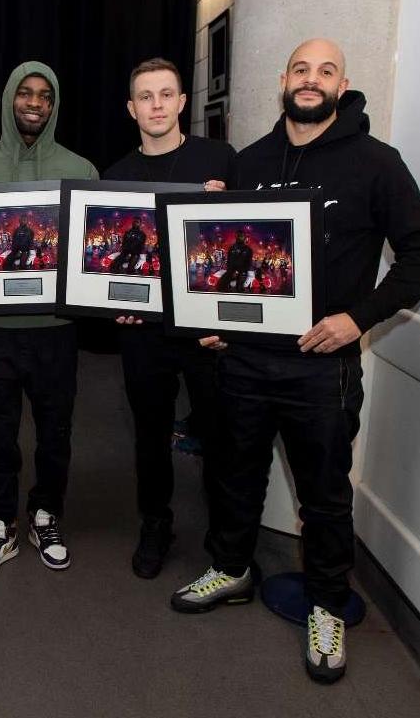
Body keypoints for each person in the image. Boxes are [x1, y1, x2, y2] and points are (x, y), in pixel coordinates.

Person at [172, 39, 420, 685]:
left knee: (323, 497)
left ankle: (326, 603)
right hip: (242, 360)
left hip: (322, 367)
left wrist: (357, 318)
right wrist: (213, 313)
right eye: (300, 69)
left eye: (325, 71)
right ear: (282, 80)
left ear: (342, 84)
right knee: (234, 474)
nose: (310, 79)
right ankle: (232, 566)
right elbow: (223, 255)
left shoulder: (377, 163)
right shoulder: (249, 161)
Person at [0, 61, 98, 580]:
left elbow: (90, 255)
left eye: (44, 96)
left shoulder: (82, 170)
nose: (34, 103)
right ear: (10, 98)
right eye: (25, 94)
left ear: (54, 105)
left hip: (57, 333)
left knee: (55, 434)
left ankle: (45, 515)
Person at [102, 57, 236, 579]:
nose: (156, 105)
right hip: (146, 333)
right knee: (150, 433)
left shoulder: (220, 160)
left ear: (182, 102)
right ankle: (155, 522)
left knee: (220, 434)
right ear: (131, 108)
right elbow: (109, 258)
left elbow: (238, 239)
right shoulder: (114, 178)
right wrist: (118, 302)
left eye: (166, 94)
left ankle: (226, 537)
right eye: (145, 96)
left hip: (205, 329)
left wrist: (225, 210)